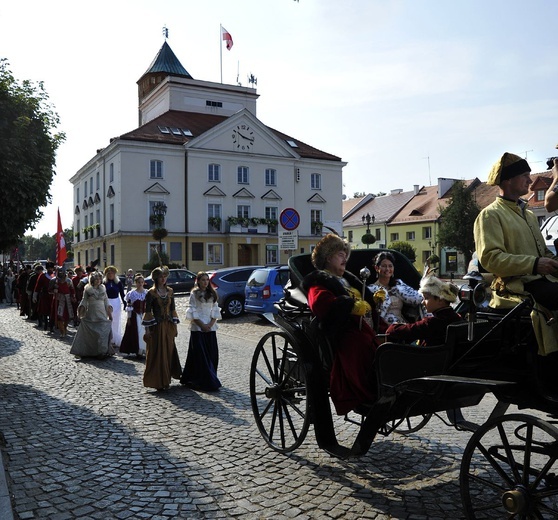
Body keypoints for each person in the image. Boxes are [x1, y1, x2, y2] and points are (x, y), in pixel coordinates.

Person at [474, 152, 558, 358]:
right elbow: (490, 259)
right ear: (508, 180)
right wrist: (534, 264)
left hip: (540, 279)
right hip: (515, 286)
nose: (530, 180)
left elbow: (543, 252)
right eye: (525, 176)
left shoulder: (528, 214)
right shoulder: (490, 214)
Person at [301, 233, 379, 416]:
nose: (345, 258)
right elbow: (319, 303)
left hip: (364, 326)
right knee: (361, 345)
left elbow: (364, 302)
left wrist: (373, 301)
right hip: (343, 332)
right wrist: (350, 306)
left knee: (393, 334)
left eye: (346, 254)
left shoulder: (348, 280)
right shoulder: (319, 281)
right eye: (340, 254)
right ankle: (367, 393)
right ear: (328, 258)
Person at [385, 276, 463, 346]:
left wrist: (394, 326)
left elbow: (393, 331)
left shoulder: (432, 323)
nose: (423, 302)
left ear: (440, 300)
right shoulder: (458, 318)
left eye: (426, 298)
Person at [142, 266, 182, 391]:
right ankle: (159, 380)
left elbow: (172, 310)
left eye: (164, 276)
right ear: (155, 278)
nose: (163, 279)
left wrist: (174, 327)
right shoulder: (151, 293)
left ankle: (167, 378)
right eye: (160, 277)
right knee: (158, 353)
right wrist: (147, 331)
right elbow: (148, 312)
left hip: (168, 325)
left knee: (168, 351)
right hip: (157, 327)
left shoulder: (170, 291)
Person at [180, 271, 222, 391]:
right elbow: (193, 311)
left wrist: (210, 324)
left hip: (210, 327)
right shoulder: (194, 294)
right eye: (203, 280)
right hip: (198, 328)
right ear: (198, 281)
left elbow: (215, 310)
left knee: (212, 354)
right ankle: (201, 379)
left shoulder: (212, 293)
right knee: (199, 355)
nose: (205, 282)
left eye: (207, 280)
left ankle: (212, 377)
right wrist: (202, 325)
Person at [367, 251, 423, 332]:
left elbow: (417, 299)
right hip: (382, 330)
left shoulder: (399, 286)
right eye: (384, 266)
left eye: (390, 266)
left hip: (402, 328)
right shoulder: (371, 289)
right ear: (377, 268)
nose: (387, 269)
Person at [70, 271, 114, 359]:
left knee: (102, 333)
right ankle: (91, 351)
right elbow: (84, 300)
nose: (98, 281)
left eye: (99, 279)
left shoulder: (103, 289)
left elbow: (106, 301)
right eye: (96, 279)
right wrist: (80, 311)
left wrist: (109, 314)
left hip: (101, 313)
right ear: (92, 280)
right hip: (91, 313)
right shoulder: (87, 290)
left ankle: (102, 351)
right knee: (92, 333)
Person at [120, 273, 148, 358]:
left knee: (144, 332)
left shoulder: (146, 293)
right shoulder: (132, 293)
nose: (140, 284)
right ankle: (137, 350)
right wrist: (129, 318)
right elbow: (129, 306)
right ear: (135, 283)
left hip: (143, 315)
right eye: (138, 282)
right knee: (136, 332)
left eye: (142, 282)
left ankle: (144, 350)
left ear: (143, 283)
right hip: (135, 316)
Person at [49, 267, 76, 338]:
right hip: (58, 300)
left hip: (67, 300)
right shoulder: (54, 280)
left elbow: (72, 289)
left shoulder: (69, 281)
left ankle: (65, 328)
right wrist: (53, 291)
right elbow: (49, 290)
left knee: (67, 317)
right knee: (59, 317)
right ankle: (62, 331)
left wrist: (73, 297)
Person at [103, 266, 126, 348]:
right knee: (108, 320)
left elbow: (122, 294)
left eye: (112, 273)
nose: (110, 275)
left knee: (116, 321)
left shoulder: (118, 283)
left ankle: (114, 340)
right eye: (108, 273)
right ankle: (108, 338)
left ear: (114, 274)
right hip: (107, 302)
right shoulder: (104, 283)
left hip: (116, 303)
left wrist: (125, 303)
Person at [34, 262, 55, 332]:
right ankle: (46, 323)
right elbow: (37, 286)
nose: (50, 269)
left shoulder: (55, 276)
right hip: (44, 295)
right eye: (49, 268)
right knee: (45, 311)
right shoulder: (42, 276)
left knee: (52, 311)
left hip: (53, 296)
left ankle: (51, 325)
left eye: (51, 268)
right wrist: (35, 295)